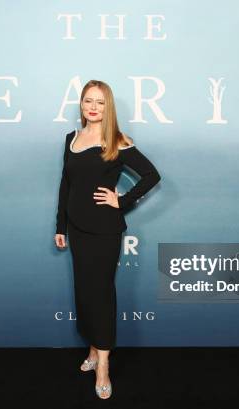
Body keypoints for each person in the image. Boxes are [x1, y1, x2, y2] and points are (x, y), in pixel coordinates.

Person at [54, 80, 161, 399]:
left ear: (108, 106)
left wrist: (122, 200)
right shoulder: (71, 139)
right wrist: (60, 226)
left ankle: (103, 366)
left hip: (104, 230)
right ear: (82, 104)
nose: (93, 107)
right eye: (88, 100)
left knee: (100, 296)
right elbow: (65, 184)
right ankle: (91, 350)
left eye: (100, 102)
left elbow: (151, 175)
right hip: (76, 229)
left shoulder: (116, 140)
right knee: (84, 294)